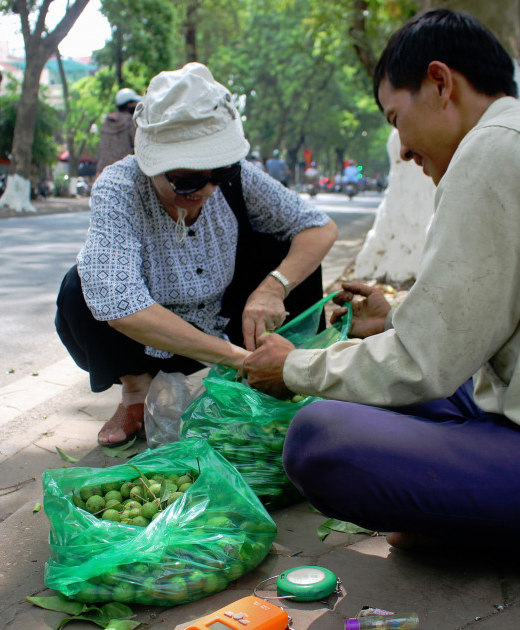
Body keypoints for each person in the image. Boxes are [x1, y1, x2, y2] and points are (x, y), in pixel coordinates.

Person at [243, 8, 520, 572]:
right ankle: (457, 517)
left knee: (318, 439)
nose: (401, 148)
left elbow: (424, 363)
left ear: (440, 83)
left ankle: (476, 528)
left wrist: (295, 367)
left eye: (395, 117)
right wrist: (396, 316)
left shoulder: (494, 150)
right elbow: (502, 311)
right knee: (394, 391)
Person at [55, 63, 337, 447]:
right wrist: (238, 360)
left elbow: (319, 226)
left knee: (289, 252)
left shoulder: (237, 176)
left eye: (216, 175)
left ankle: (283, 375)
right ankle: (135, 395)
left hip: (224, 323)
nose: (204, 190)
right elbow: (122, 306)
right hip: (153, 345)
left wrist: (273, 288)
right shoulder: (119, 188)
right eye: (185, 180)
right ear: (152, 164)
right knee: (81, 283)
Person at [95, 87, 142, 176]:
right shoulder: (130, 121)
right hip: (125, 170)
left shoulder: (107, 122)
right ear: (129, 104)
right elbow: (138, 144)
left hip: (104, 171)